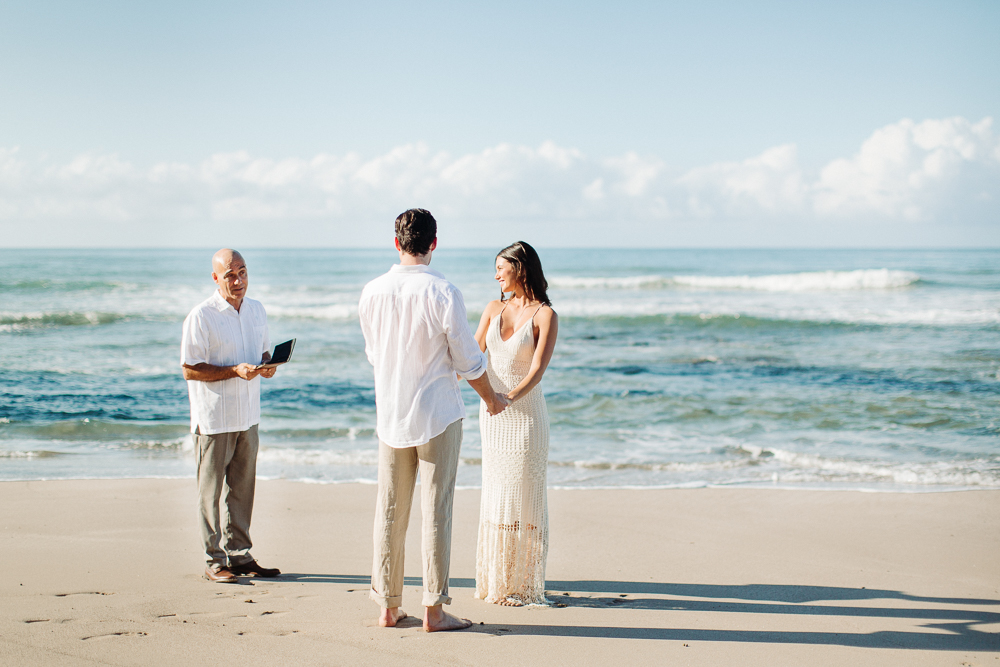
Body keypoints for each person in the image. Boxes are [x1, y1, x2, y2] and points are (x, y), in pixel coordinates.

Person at [358, 209, 509, 632]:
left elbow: (374, 353)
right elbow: (467, 357)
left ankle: (388, 607)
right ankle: (434, 610)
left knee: (389, 511)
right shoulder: (443, 291)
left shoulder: (371, 292)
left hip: (390, 413)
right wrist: (492, 399)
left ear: (396, 242)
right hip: (438, 414)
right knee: (436, 512)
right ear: (434, 242)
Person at [180, 249, 281, 584]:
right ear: (216, 278)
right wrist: (234, 371)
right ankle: (214, 560)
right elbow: (190, 369)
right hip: (214, 419)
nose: (238, 281)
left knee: (242, 489)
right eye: (230, 275)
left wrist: (267, 366)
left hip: (248, 415)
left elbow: (263, 351)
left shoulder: (256, 310)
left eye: (243, 272)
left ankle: (240, 555)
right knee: (209, 493)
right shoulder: (201, 316)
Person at [473, 241, 558, 606]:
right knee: (497, 492)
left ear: (519, 269)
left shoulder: (545, 315)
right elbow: (472, 355)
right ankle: (497, 580)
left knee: (523, 496)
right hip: (491, 417)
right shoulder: (493, 308)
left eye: (500, 268)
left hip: (525, 419)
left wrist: (508, 398)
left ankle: (521, 584)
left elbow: (537, 370)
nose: (495, 275)